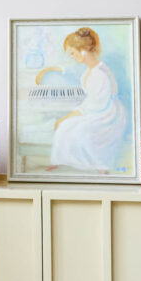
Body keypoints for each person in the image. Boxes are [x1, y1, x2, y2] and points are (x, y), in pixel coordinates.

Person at [48, 27, 128, 172]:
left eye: (73, 53)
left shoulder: (100, 74)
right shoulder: (89, 71)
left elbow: (95, 104)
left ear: (83, 50)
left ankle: (99, 165)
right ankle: (59, 160)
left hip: (108, 115)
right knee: (66, 126)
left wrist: (67, 116)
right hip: (99, 109)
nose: (72, 56)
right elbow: (91, 101)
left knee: (78, 129)